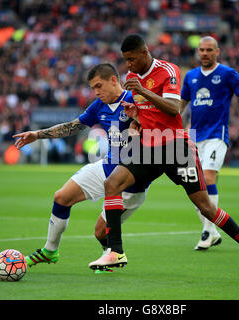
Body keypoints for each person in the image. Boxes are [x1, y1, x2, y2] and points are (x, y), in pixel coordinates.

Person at [88, 34, 239, 284]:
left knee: (206, 208)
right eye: (125, 60)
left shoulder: (168, 70)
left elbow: (174, 109)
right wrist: (135, 115)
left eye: (131, 59)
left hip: (176, 147)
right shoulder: (131, 78)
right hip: (149, 146)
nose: (128, 65)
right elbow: (145, 114)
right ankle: (116, 252)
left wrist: (143, 91)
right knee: (112, 184)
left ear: (144, 52)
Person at [13, 63, 150, 270]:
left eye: (98, 86)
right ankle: (50, 251)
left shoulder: (135, 100)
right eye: (93, 88)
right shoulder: (98, 106)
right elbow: (72, 126)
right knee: (61, 197)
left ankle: (111, 255)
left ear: (114, 80)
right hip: (107, 167)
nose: (96, 92)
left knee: (100, 232)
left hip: (131, 181)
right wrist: (37, 134)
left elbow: (157, 129)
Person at [181, 36, 239, 250]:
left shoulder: (228, 74)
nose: (205, 53)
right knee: (192, 184)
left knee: (207, 177)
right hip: (194, 137)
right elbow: (180, 106)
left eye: (209, 50)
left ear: (218, 52)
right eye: (201, 50)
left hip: (217, 134)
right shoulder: (190, 76)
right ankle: (213, 232)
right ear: (197, 52)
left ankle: (207, 231)